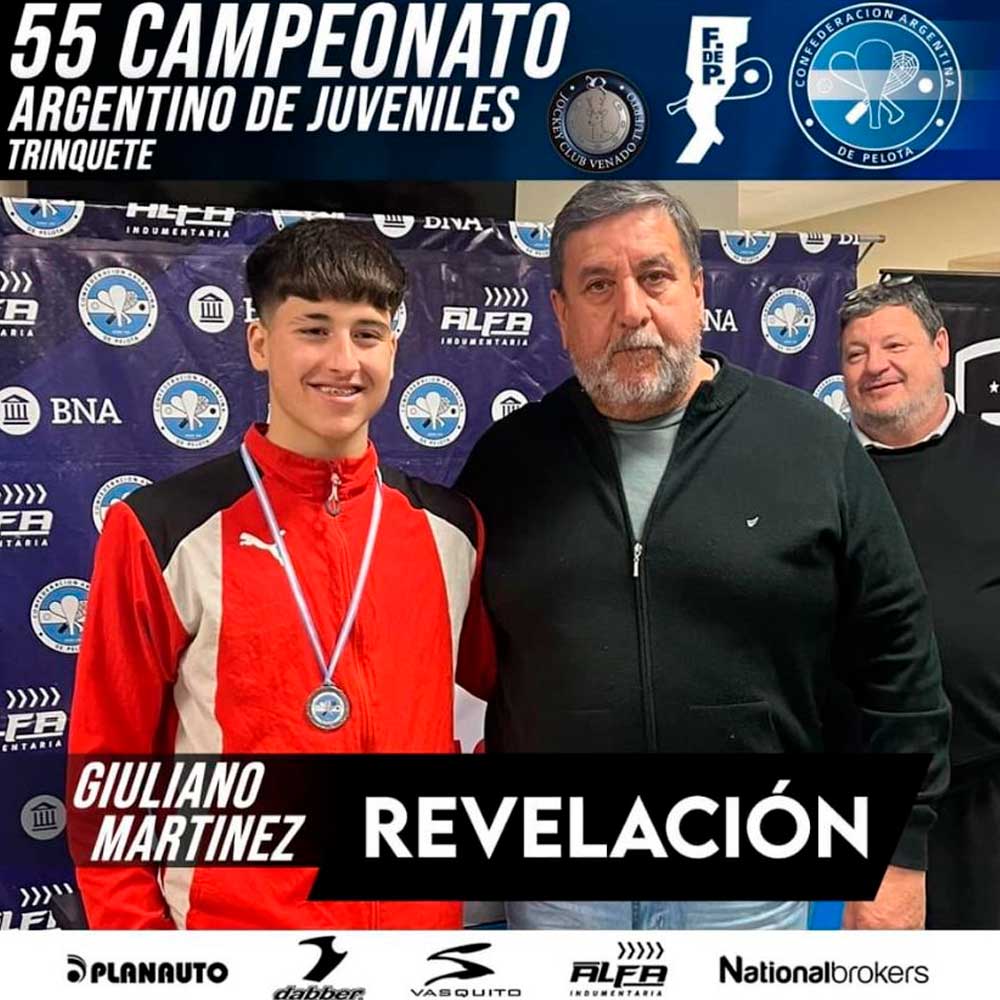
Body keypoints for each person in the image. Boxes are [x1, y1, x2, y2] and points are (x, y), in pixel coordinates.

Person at [456, 181, 950, 931]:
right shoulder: (508, 464)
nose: (631, 309)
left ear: (696, 289)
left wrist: (899, 854)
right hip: (560, 888)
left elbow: (900, 659)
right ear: (560, 312)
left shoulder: (808, 444)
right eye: (598, 285)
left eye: (654, 276)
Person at [69, 219, 495, 929]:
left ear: (392, 350)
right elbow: (109, 769)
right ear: (260, 343)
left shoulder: (453, 529)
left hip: (416, 942)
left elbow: (509, 707)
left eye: (366, 333)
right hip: (235, 942)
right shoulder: (161, 529)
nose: (343, 360)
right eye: (314, 329)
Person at [840, 276, 1000, 929]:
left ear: (940, 347)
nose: (874, 365)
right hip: (854, 803)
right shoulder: (817, 476)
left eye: (894, 345)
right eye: (855, 354)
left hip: (986, 794)